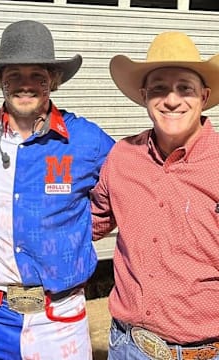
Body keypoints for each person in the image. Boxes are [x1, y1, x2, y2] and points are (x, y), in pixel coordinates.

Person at [0, 20, 114, 359]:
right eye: (14, 76)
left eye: (36, 76)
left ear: (53, 80)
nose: (25, 86)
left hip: (60, 317)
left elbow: (131, 182)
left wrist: (86, 228)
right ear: (0, 81)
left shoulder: (86, 141)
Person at [91, 31, 219, 360]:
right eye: (159, 88)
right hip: (130, 347)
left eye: (184, 88)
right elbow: (92, 222)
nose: (171, 100)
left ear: (203, 96)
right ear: (144, 95)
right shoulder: (121, 157)